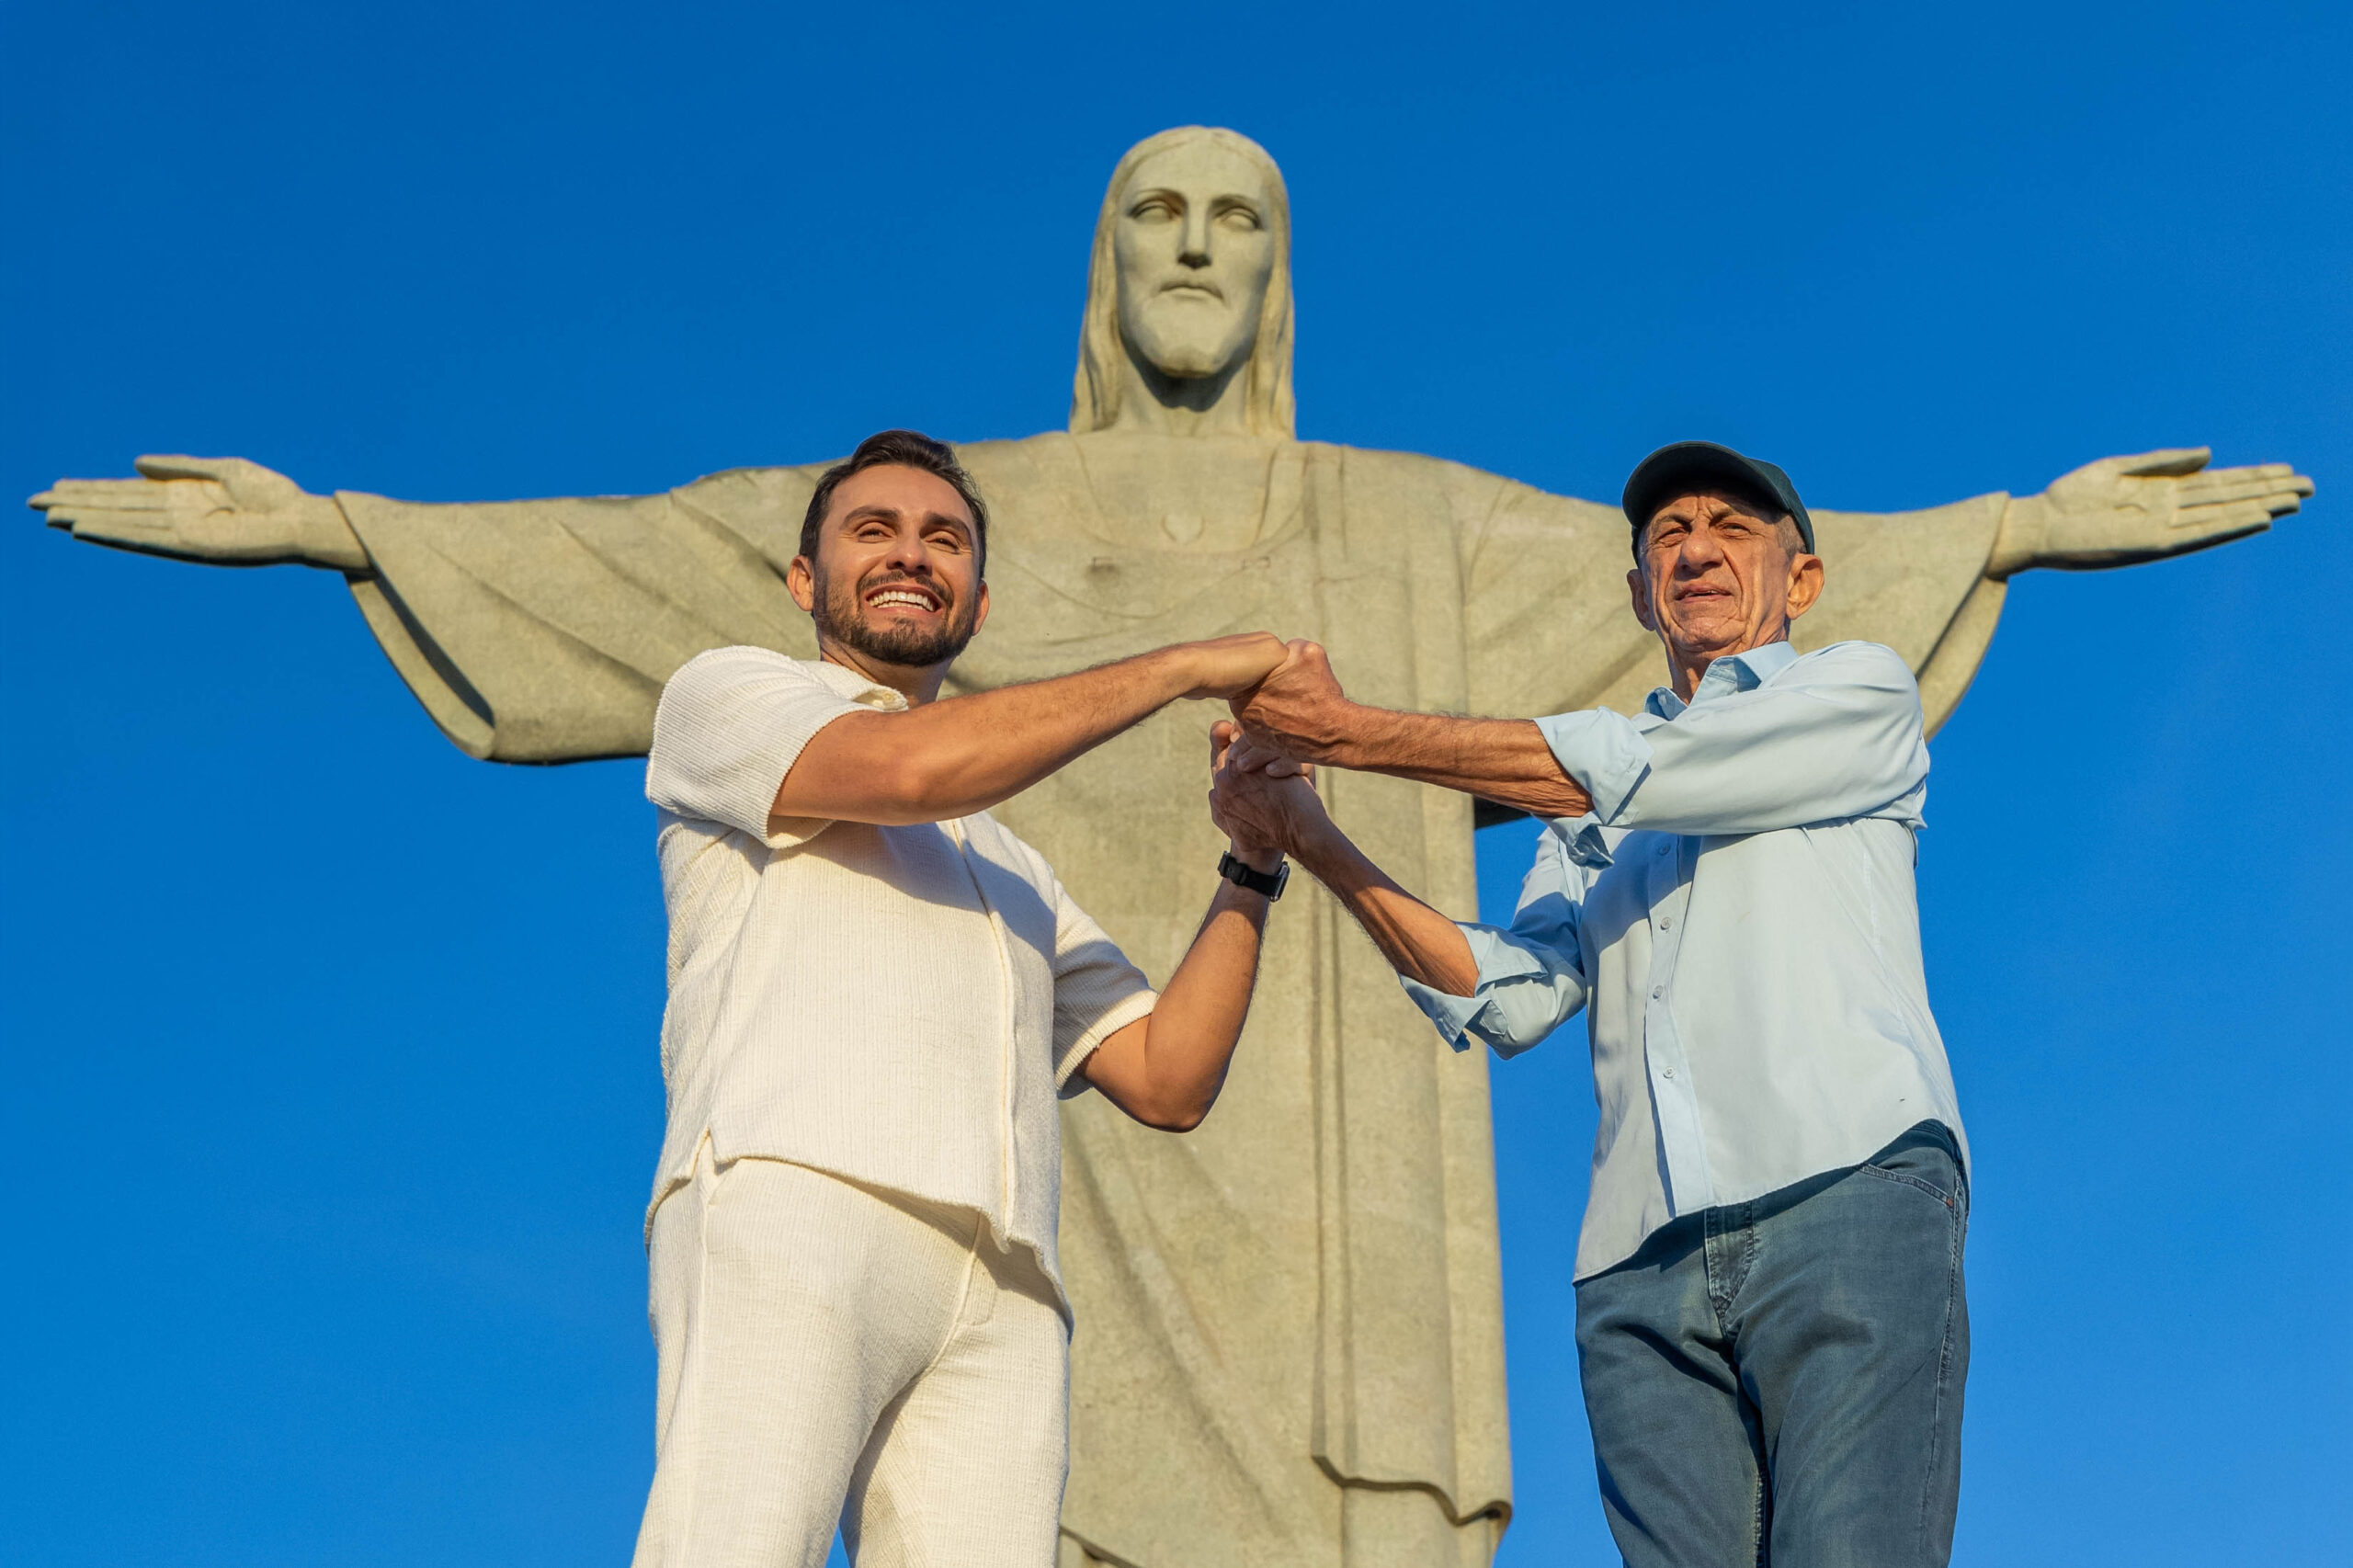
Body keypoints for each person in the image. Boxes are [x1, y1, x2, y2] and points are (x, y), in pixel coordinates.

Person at [1211, 441, 1973, 1567]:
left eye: (1730, 526)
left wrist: (1343, 731)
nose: (1697, 549)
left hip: (1845, 1188)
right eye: (1668, 536)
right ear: (1636, 591)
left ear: (1799, 580)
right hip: (1636, 1267)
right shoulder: (1587, 801)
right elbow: (1512, 996)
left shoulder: (1855, 692)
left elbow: (1642, 770)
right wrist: (1305, 834)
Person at [633, 428, 1293, 1568]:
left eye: (945, 539)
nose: (911, 554)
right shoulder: (728, 694)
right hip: (795, 1189)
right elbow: (900, 771)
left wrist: (1255, 863)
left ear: (979, 603)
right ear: (805, 579)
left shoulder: (1009, 865)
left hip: (1005, 1280)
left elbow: (1168, 1075)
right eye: (873, 530)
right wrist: (1184, 666)